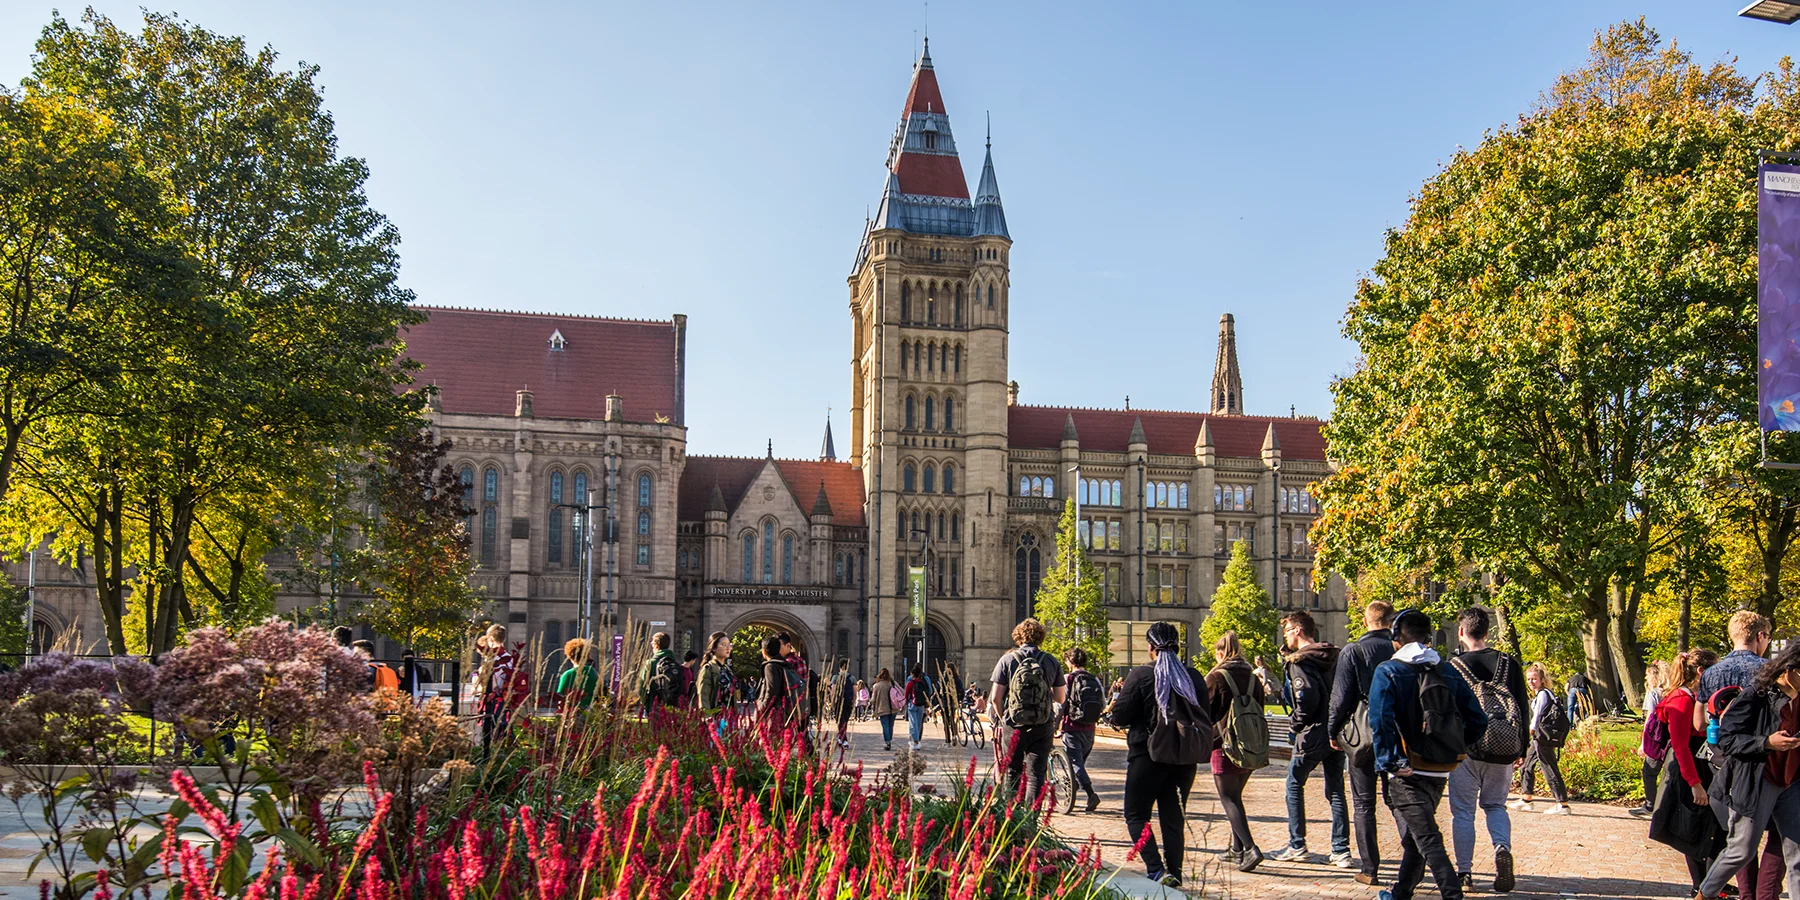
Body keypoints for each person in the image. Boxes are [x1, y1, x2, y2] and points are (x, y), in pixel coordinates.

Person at [1368, 609, 1488, 900]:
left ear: (1397, 638)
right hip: (1439, 768)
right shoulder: (1447, 670)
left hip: (1407, 769)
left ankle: (1452, 894)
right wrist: (1455, 750)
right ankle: (1400, 893)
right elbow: (1478, 721)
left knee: (1428, 839)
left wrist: (1390, 761)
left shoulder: (1389, 671)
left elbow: (1380, 720)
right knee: (1416, 837)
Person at [1697, 641, 1800, 900]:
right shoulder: (1758, 694)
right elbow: (1727, 739)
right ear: (1790, 671)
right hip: (1757, 780)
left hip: (1790, 781)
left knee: (1798, 853)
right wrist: (1766, 742)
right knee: (1742, 849)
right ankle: (1705, 894)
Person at [1108, 621, 1207, 888]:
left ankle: (1156, 868)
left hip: (1147, 755)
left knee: (1136, 814)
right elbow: (1206, 712)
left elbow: (1121, 714)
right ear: (1178, 644)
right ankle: (1174, 870)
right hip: (1184, 757)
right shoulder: (1193, 676)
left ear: (1151, 647)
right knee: (1173, 818)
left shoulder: (1141, 675)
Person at [1445, 607, 1528, 895]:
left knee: (1463, 813)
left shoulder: (1453, 666)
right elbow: (1522, 707)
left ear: (1461, 632)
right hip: (1503, 747)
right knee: (1495, 806)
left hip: (1467, 750)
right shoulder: (1509, 663)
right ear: (1487, 632)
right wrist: (1522, 747)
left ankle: (1465, 872)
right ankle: (1502, 848)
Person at [1273, 610, 1350, 867]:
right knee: (1336, 789)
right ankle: (1341, 850)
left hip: (1313, 732)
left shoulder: (1300, 662)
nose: (1285, 636)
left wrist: (1295, 726)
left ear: (1297, 630)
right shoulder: (1334, 656)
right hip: (1337, 732)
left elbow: (1306, 698)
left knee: (1294, 784)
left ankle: (1297, 844)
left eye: (1286, 631)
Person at [1330, 600, 1398, 886]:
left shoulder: (1353, 651)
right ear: (1391, 621)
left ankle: (1370, 869)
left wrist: (1333, 732)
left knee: (1363, 803)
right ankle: (1414, 861)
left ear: (1366, 620)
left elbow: (1341, 696)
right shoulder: (1400, 650)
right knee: (1399, 800)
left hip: (1362, 736)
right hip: (1396, 733)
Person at [1651, 649, 1721, 896]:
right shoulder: (1681, 700)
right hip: (1688, 767)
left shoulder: (1697, 696)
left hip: (1700, 763)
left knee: (1711, 825)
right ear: (1701, 671)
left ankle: (1710, 884)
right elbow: (1680, 745)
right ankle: (1700, 886)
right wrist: (1695, 783)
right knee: (1692, 825)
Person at [987, 618, 1068, 804]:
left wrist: (1003, 719)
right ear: (1040, 637)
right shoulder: (1051, 661)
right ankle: (1031, 821)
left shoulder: (1007, 660)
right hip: (1042, 724)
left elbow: (995, 698)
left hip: (1014, 725)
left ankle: (1012, 819)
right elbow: (1060, 698)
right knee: (1036, 774)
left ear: (1018, 637)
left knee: (1012, 771)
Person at [1206, 629, 1267, 872]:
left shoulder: (1216, 677)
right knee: (1236, 797)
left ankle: (1251, 849)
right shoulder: (1253, 678)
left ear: (1221, 652)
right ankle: (1236, 849)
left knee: (1228, 798)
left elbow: (1206, 712)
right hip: (1251, 747)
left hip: (1224, 745)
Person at [1511, 664, 1572, 815]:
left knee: (1549, 768)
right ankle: (1526, 800)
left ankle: (1562, 804)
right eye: (1529, 679)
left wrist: (1530, 730)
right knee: (1527, 766)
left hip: (1542, 736)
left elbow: (1538, 716)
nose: (1531, 682)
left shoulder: (1544, 694)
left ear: (1542, 680)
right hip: (1540, 736)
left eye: (1534, 679)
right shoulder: (1541, 694)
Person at [1061, 647, 1104, 812]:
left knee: (1075, 763)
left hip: (1072, 727)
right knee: (1078, 765)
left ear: (1071, 662)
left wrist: (1055, 724)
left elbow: (1061, 704)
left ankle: (1091, 794)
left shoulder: (1069, 678)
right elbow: (1103, 703)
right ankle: (1072, 792)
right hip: (1090, 728)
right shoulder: (1094, 679)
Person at [475, 624, 527, 753]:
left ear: (491, 639)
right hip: (506, 698)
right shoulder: (510, 659)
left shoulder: (493, 659)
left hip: (494, 699)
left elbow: (488, 683)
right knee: (503, 725)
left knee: (494, 729)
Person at [1631, 660, 1667, 818]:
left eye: (1647, 676)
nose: (1646, 679)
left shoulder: (1653, 694)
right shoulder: (1671, 691)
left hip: (1656, 738)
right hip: (1670, 737)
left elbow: (1650, 721)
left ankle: (1651, 805)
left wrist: (1643, 744)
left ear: (1655, 676)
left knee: (1649, 771)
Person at [758, 635, 805, 739]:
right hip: (786, 712)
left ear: (764, 652)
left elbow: (771, 692)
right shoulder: (785, 664)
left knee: (771, 744)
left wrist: (761, 709)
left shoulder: (770, 666)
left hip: (775, 714)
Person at [638, 632, 684, 714]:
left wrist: (647, 704)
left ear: (656, 645)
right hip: (672, 706)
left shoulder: (650, 663)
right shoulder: (673, 663)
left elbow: (642, 688)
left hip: (655, 706)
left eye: (652, 643)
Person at [556, 637, 599, 710]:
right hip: (592, 711)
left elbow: (560, 697)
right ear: (587, 655)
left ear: (569, 656)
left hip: (573, 711)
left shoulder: (566, 675)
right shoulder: (592, 671)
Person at [696, 632, 734, 714]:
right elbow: (703, 696)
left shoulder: (727, 669)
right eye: (724, 645)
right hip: (714, 717)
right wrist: (707, 717)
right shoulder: (708, 669)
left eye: (729, 645)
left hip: (728, 717)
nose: (728, 648)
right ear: (713, 648)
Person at [871, 667, 899, 750]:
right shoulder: (892, 683)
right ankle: (889, 739)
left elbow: (873, 699)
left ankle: (888, 742)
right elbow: (901, 691)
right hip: (893, 708)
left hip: (882, 708)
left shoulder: (876, 686)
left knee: (885, 726)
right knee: (891, 725)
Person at [905, 664, 931, 750]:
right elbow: (930, 691)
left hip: (912, 704)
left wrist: (906, 702)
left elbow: (906, 694)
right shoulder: (925, 679)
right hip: (921, 704)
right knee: (919, 723)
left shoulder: (910, 680)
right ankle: (918, 740)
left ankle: (914, 741)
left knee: (913, 723)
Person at [830, 658, 854, 749]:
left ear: (839, 666)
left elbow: (833, 692)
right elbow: (855, 692)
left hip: (838, 702)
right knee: (845, 721)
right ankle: (840, 738)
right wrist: (853, 702)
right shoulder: (852, 678)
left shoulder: (835, 677)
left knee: (840, 721)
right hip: (848, 702)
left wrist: (832, 702)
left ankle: (844, 741)